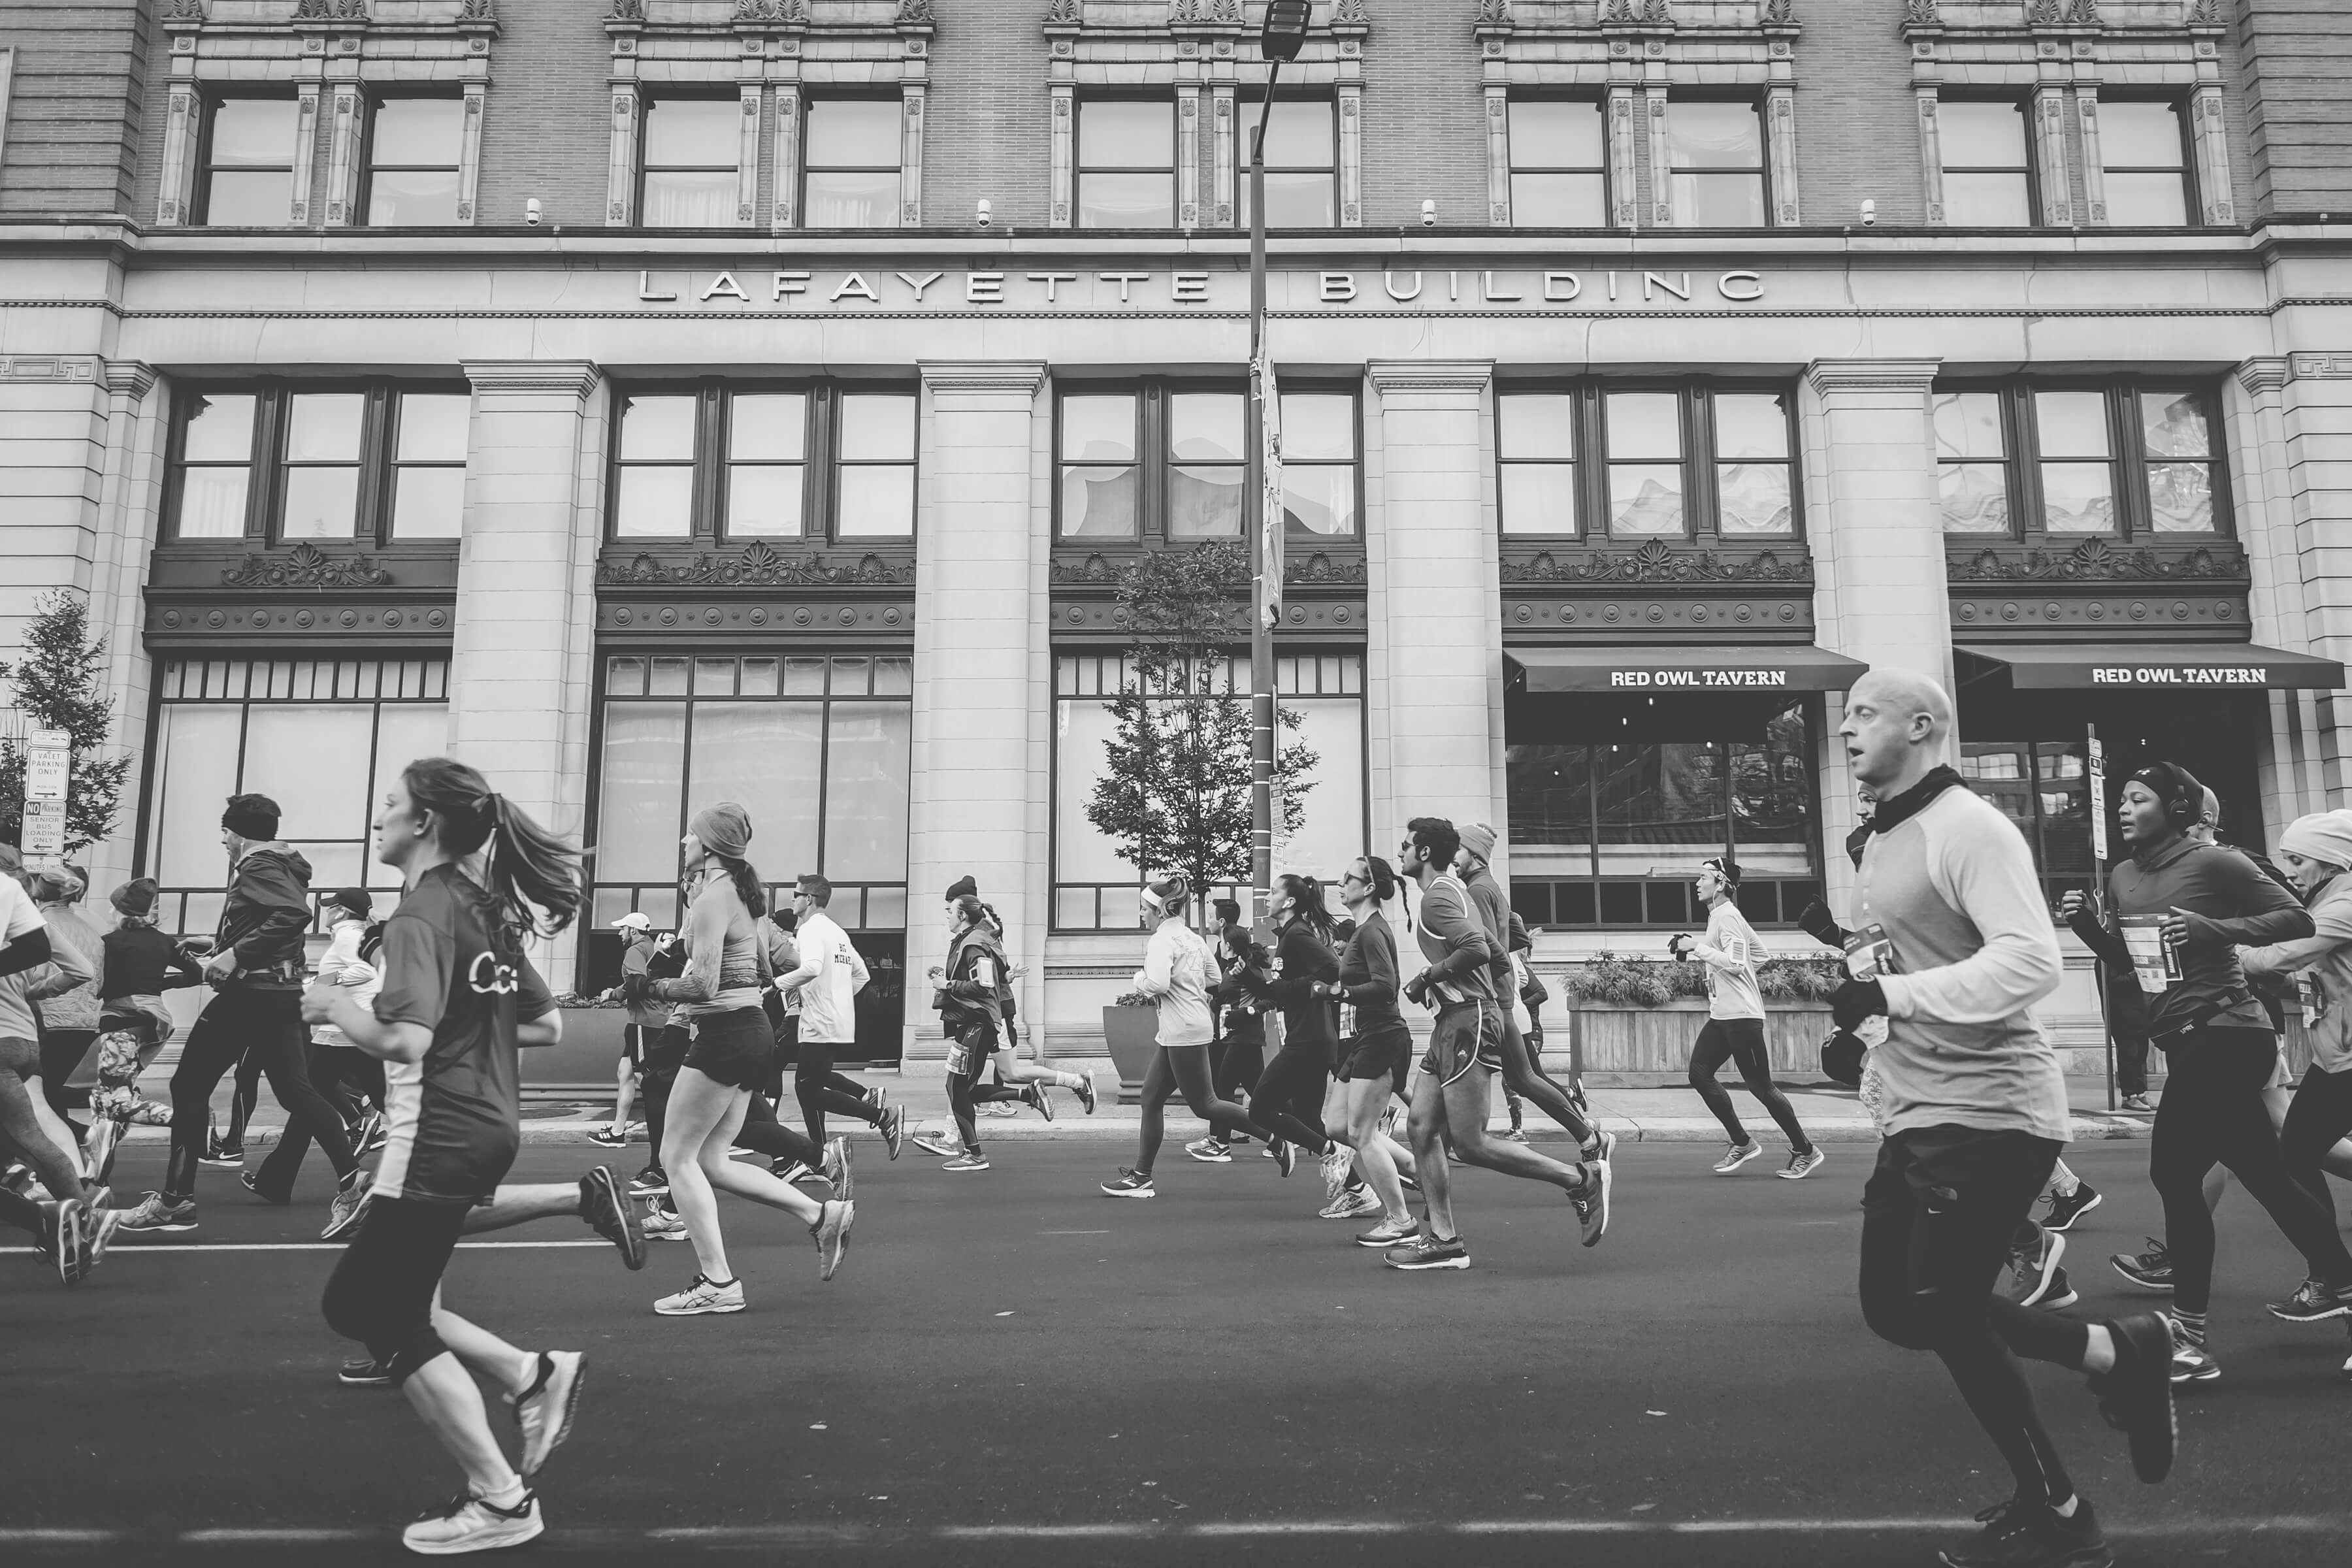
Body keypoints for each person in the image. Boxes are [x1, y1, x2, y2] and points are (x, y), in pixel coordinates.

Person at [1833, 668, 2175, 1568]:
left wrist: (1893, 995)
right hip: (1918, 1109)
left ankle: (2061, 1505)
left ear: (1924, 724)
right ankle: (2113, 1355)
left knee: (1943, 1305)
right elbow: (1911, 966)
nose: (1845, 730)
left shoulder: (1969, 828)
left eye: (1863, 714)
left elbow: (2029, 963)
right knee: (1898, 1310)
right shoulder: (1881, 839)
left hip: (1990, 1112)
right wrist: (1864, 1024)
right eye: (1842, 717)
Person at [308, 756, 593, 1552]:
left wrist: (335, 1006)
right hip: (486, 1124)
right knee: (397, 1307)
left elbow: (402, 1038)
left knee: (365, 1308)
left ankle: (503, 1495)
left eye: (390, 804)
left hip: (432, 1129)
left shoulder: (424, 911)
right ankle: (527, 1379)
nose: (379, 817)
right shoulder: (485, 908)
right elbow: (544, 1024)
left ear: (424, 822)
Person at [2059, 761, 2352, 1380]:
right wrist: (2088, 927)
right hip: (2186, 1042)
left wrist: (2208, 928)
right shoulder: (2123, 876)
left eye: (2138, 798)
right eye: (2122, 799)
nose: (2124, 807)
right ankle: (2340, 1280)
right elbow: (2136, 962)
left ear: (2177, 808)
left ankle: (2189, 1338)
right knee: (2268, 1174)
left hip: (2230, 1033)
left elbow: (2295, 920)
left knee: (2174, 1171)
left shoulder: (2216, 864)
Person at [626, 807, 853, 1315]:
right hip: (752, 1032)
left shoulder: (713, 899)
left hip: (727, 1035)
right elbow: (773, 965)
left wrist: (648, 986)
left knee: (675, 1157)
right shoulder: (745, 899)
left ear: (707, 848)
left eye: (691, 832)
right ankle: (822, 1216)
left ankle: (718, 1283)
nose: (684, 838)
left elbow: (702, 985)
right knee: (709, 1159)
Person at [120, 793, 366, 1237]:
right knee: (296, 1092)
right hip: (280, 993)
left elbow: (292, 915)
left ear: (236, 833)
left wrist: (235, 956)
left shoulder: (257, 864)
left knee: (188, 1086)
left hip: (250, 994)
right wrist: (216, 947)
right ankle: (353, 1186)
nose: (223, 842)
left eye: (224, 834)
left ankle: (176, 1202)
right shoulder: (286, 863)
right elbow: (272, 919)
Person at [1383, 819, 1607, 1270]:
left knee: (1470, 1143)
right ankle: (1443, 1240)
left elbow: (1480, 951)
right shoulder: (1455, 890)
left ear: (1425, 853)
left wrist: (1427, 978)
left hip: (1467, 1020)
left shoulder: (1437, 897)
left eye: (1407, 845)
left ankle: (1577, 1179)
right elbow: (1498, 953)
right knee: (1421, 1128)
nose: (1401, 852)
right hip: (1458, 1017)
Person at [1102, 875, 1278, 1198]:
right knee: (1151, 1098)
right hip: (1182, 1029)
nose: (1142, 915)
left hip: (1182, 1030)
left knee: (1206, 1104)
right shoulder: (1192, 938)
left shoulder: (1161, 941)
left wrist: (1138, 978)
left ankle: (1275, 1135)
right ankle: (1142, 1176)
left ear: (1159, 910)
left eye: (1144, 909)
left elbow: (1157, 984)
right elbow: (1213, 977)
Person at [1456, 825, 1613, 1169]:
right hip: (1499, 995)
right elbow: (1514, 936)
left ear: (1475, 854)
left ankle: (1589, 1137)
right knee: (1523, 1078)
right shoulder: (1488, 887)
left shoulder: (1478, 890)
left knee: (1522, 1078)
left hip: (1492, 998)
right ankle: (1589, 1135)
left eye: (1459, 850)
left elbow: (1481, 947)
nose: (1454, 858)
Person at [0, 841, 110, 1283]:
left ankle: (68, 1219)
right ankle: (73, 1218)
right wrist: (35, 992)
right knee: (31, 1134)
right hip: (25, 1040)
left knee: (31, 1135)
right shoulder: (31, 918)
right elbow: (81, 969)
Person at [1674, 855, 1821, 1179]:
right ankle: (1742, 1142)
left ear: (1721, 884)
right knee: (1700, 1074)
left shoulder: (1727, 917)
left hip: (1741, 1017)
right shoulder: (1721, 917)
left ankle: (1806, 1150)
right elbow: (1758, 955)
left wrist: (1697, 947)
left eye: (1703, 878)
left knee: (1761, 1088)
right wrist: (1719, 974)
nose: (1697, 884)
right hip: (1723, 1015)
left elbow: (1738, 964)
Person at [930, 894, 1094, 1172]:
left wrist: (947, 984)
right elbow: (989, 979)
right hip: (979, 1022)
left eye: (950, 911)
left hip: (979, 1023)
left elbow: (982, 986)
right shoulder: (975, 941)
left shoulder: (973, 944)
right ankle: (1030, 1096)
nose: (946, 916)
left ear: (962, 916)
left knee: (958, 1088)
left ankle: (975, 1154)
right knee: (965, 1088)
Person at [265, 887, 384, 1217]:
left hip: (343, 1030)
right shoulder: (352, 933)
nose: (327, 911)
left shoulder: (348, 934)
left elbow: (363, 971)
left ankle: (288, 1177)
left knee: (307, 1097)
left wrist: (322, 984)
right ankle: (276, 1179)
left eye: (332, 907)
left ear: (343, 912)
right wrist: (314, 983)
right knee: (310, 1097)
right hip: (348, 1028)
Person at [774, 874, 904, 1158]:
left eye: (796, 894)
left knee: (807, 1090)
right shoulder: (837, 932)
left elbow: (811, 968)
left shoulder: (809, 930)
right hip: (836, 1020)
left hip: (819, 1021)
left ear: (808, 899)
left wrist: (777, 985)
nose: (792, 900)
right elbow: (863, 975)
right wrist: (838, 998)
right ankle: (820, 1156)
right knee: (812, 1087)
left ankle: (882, 1117)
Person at [83, 877, 204, 1183]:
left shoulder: (110, 942)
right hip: (155, 1021)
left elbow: (98, 984)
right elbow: (196, 974)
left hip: (120, 1020)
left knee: (113, 1102)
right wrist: (157, 984)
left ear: (120, 911)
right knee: (112, 1097)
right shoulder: (164, 941)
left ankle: (192, 1121)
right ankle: (97, 1176)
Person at [1330, 855, 1420, 1247]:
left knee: (1362, 1134)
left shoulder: (1371, 932)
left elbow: (1387, 986)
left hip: (1383, 1036)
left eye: (1347, 878)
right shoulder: (1366, 929)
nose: (1340, 883)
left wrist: (1338, 991)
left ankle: (1400, 1220)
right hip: (1366, 1036)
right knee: (1336, 1127)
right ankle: (1412, 1165)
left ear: (1367, 888)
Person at [31, 868, 104, 1141]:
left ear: (37, 893)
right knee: (49, 1095)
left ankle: (86, 1139)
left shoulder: (37, 926)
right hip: (85, 1024)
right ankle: (79, 1148)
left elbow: (31, 975)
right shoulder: (92, 932)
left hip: (46, 1022)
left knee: (39, 1100)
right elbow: (99, 981)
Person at [589, 913, 661, 1149]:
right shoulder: (653, 948)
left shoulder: (634, 951)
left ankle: (665, 1133)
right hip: (648, 1020)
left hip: (644, 1022)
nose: (620, 933)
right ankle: (618, 1132)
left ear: (633, 930)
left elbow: (637, 984)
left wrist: (612, 994)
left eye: (623, 929)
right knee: (625, 1073)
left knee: (647, 1081)